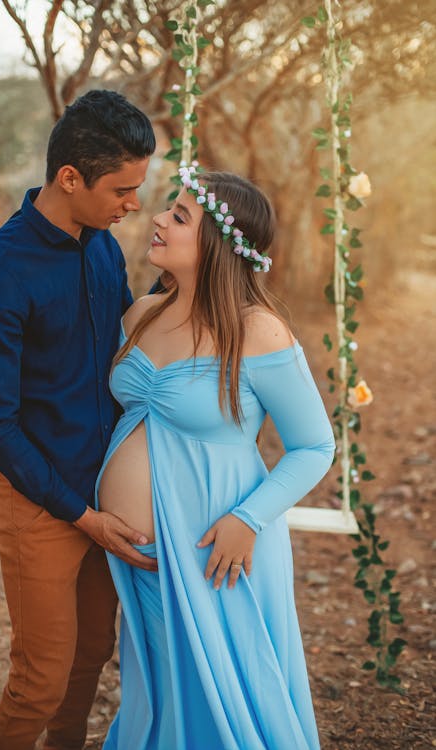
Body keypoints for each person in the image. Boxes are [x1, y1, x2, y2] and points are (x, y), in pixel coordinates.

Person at [95, 168, 336, 750]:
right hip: (141, 552)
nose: (157, 218)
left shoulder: (258, 332)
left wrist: (246, 520)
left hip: (217, 548)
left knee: (224, 695)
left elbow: (314, 447)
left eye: (179, 216)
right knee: (165, 690)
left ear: (219, 246)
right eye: (167, 210)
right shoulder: (139, 317)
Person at [0, 89, 157, 750]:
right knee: (39, 678)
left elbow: (124, 343)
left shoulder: (99, 245)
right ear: (70, 177)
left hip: (105, 494)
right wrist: (81, 514)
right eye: (123, 190)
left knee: (91, 655)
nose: (133, 205)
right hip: (41, 506)